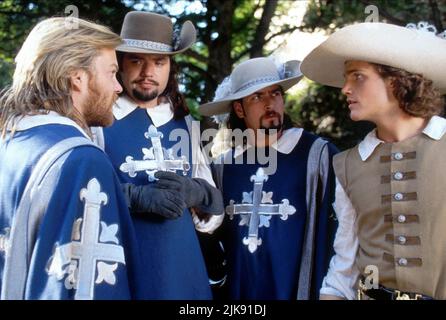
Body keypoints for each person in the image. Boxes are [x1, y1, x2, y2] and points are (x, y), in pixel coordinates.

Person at [0, 17, 145, 299]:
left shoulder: (9, 144)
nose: (118, 88)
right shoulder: (81, 159)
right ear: (77, 77)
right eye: (112, 73)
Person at [301, 21, 446, 300]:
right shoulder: (347, 165)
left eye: (357, 76)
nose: (344, 88)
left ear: (396, 81)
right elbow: (344, 267)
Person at [92, 11, 224, 299]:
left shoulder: (185, 124)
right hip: (123, 267)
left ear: (169, 68)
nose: (148, 72)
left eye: (159, 62)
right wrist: (135, 198)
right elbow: (81, 193)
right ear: (120, 65)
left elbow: (211, 215)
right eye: (137, 60)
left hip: (184, 270)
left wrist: (198, 193)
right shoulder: (98, 121)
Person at [198, 57, 338, 299]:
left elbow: (344, 231)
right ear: (239, 109)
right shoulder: (222, 168)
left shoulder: (318, 156)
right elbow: (211, 242)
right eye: (257, 97)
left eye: (275, 93)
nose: (270, 103)